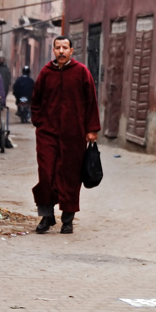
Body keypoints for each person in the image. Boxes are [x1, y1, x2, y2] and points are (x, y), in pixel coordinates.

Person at [31, 36, 101, 234]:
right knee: (46, 174)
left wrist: (91, 129)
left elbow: (91, 101)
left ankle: (68, 219)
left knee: (70, 175)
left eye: (65, 48)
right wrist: (39, 121)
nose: (61, 51)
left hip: (74, 133)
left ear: (71, 51)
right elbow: (36, 100)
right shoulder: (46, 73)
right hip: (47, 133)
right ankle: (47, 216)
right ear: (53, 51)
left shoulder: (81, 72)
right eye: (58, 48)